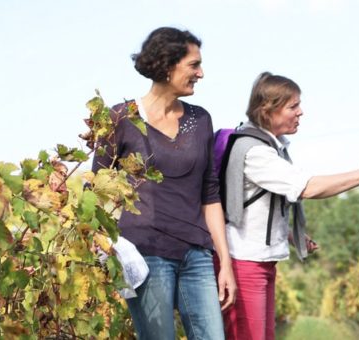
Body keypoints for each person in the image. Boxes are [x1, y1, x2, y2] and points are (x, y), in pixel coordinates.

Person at [217, 72, 359, 340]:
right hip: (244, 263)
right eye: (293, 106)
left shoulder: (270, 147)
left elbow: (252, 207)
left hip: (258, 260)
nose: (301, 112)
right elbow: (308, 188)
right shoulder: (256, 151)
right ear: (267, 110)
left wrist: (289, 235)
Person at [91, 27, 236, 340]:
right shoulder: (121, 118)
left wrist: (223, 262)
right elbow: (95, 190)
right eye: (193, 65)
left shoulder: (201, 120)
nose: (201, 72)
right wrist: (105, 248)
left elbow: (209, 195)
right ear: (167, 65)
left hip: (196, 255)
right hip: (146, 255)